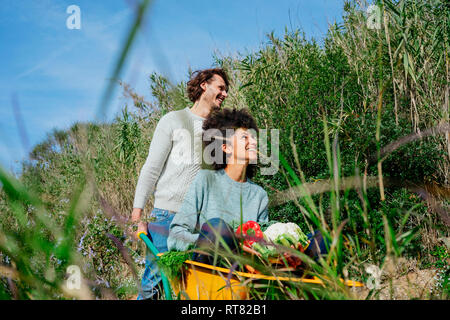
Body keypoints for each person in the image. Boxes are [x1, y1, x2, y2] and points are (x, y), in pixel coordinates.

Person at [131, 68, 230, 300]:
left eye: (226, 90)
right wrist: (138, 212)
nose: (224, 94)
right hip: (167, 216)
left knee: (188, 288)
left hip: (200, 224)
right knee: (154, 282)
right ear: (204, 85)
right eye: (221, 88)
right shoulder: (173, 120)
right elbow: (151, 168)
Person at [167, 108, 269, 264]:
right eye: (245, 137)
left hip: (245, 273)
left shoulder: (259, 195)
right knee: (217, 228)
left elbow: (262, 245)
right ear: (226, 147)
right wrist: (212, 241)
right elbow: (176, 235)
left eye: (254, 137)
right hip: (208, 270)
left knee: (319, 239)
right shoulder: (205, 180)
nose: (254, 142)